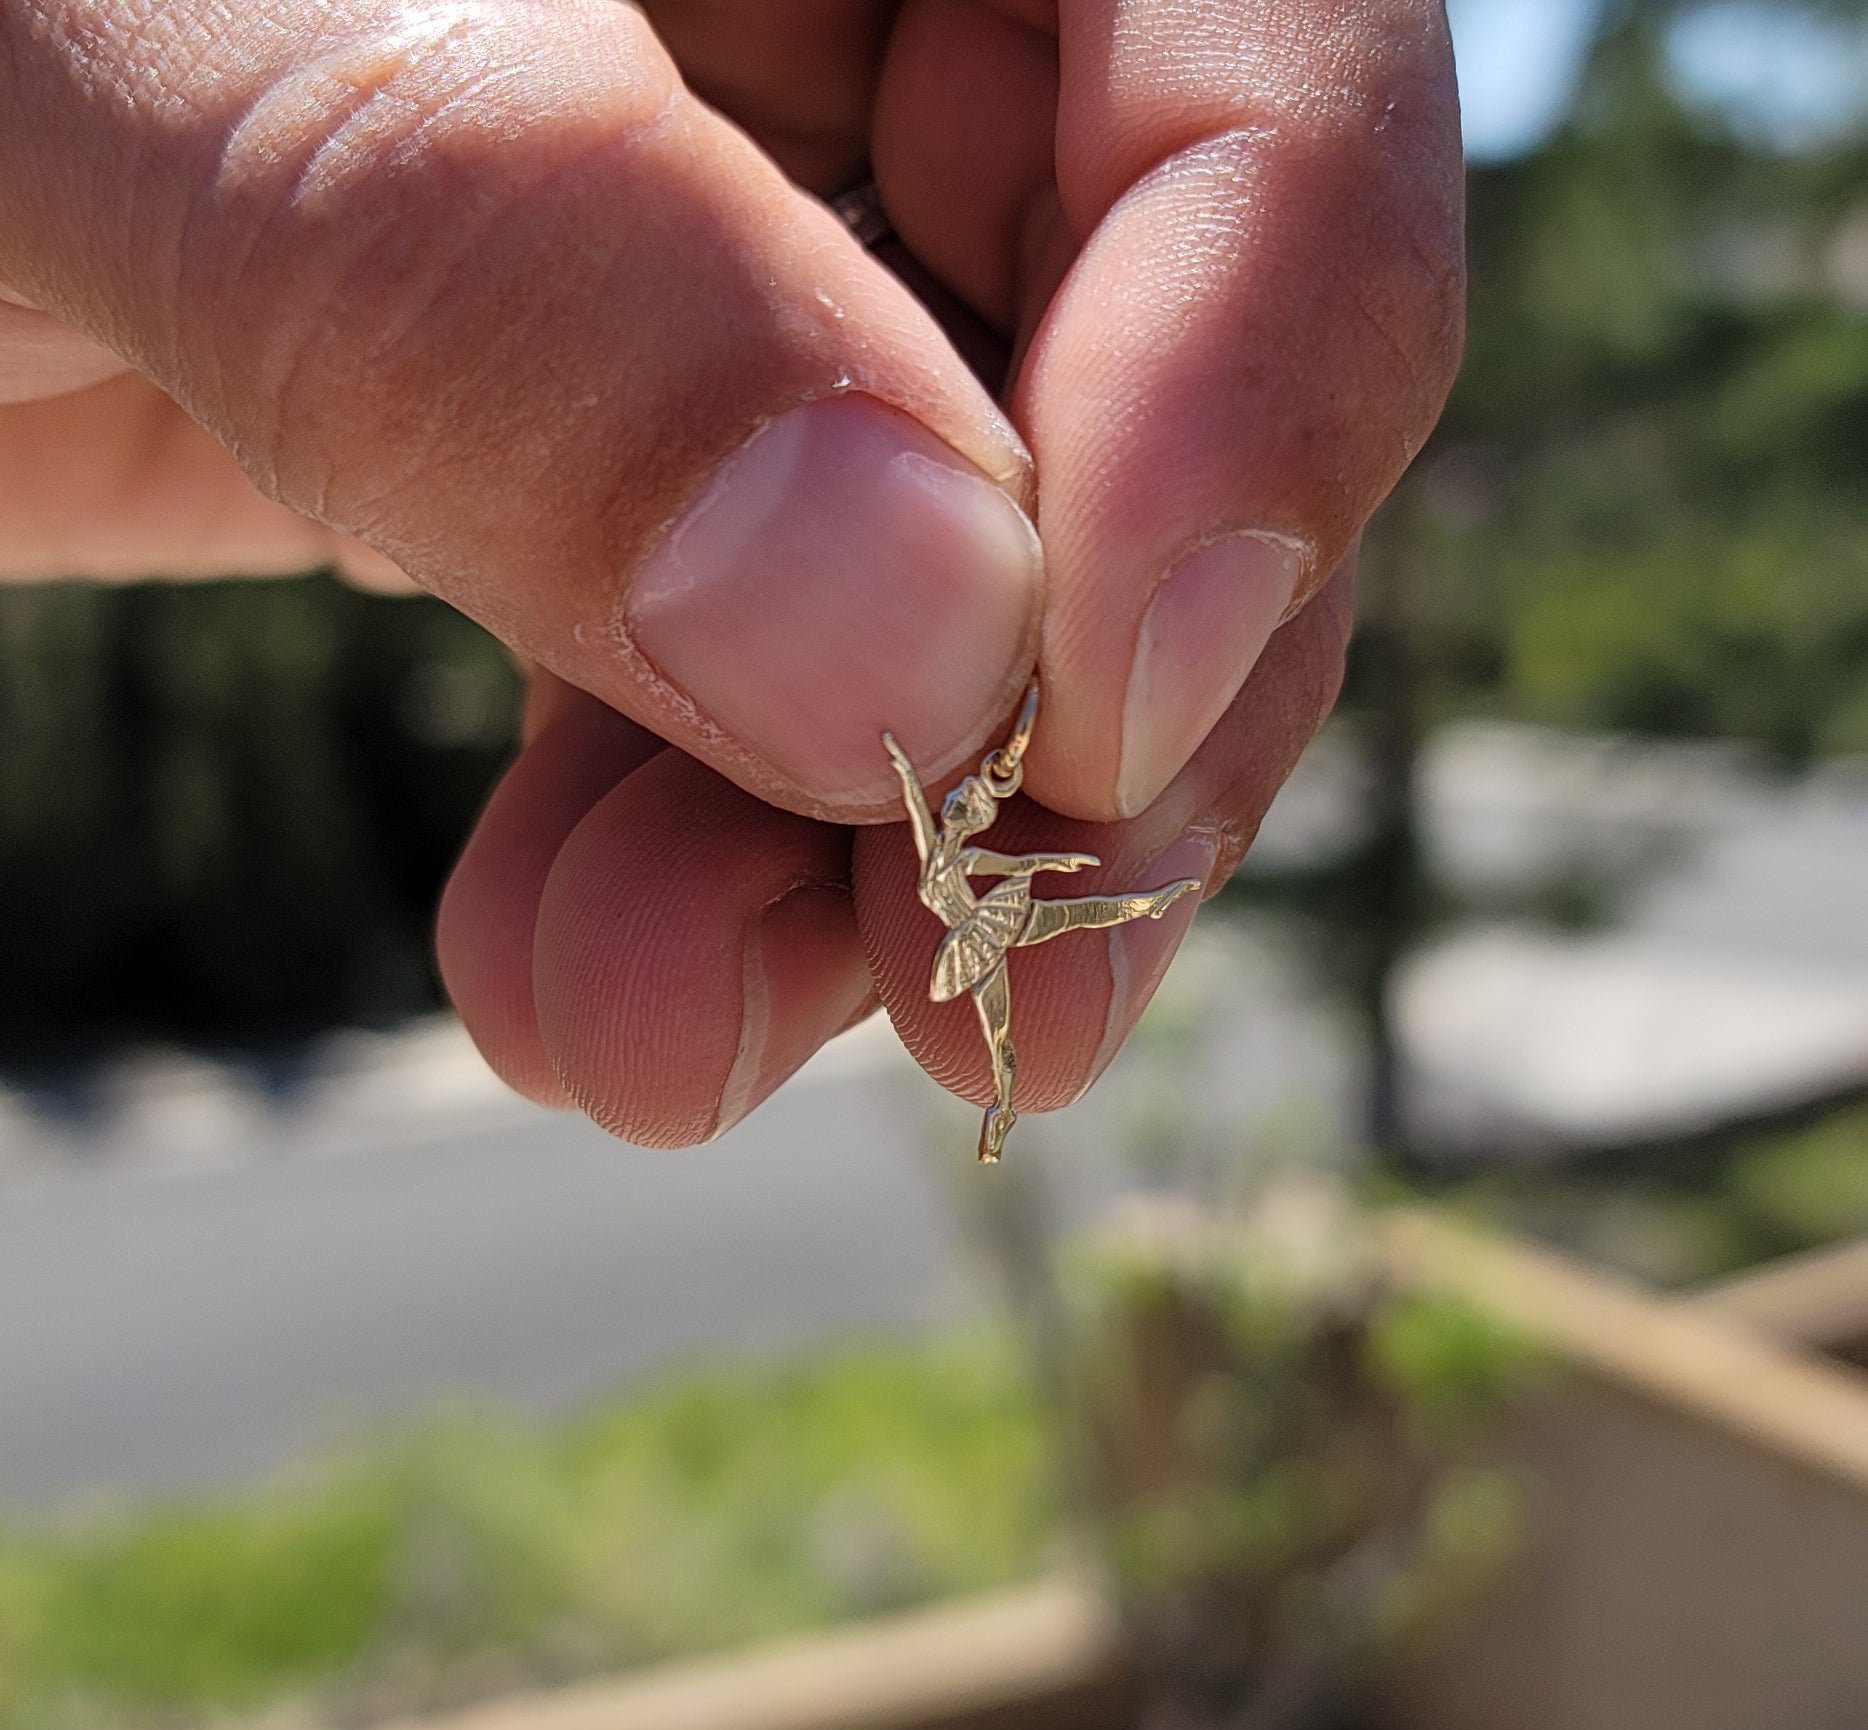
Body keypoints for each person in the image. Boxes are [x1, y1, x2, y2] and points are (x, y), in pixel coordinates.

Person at [0, 0, 1464, 1150]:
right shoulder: (970, 819)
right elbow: (969, 828)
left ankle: (1013, 1079)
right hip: (955, 816)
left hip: (962, 836)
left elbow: (1009, 872)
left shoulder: (982, 871)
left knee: (979, 966)